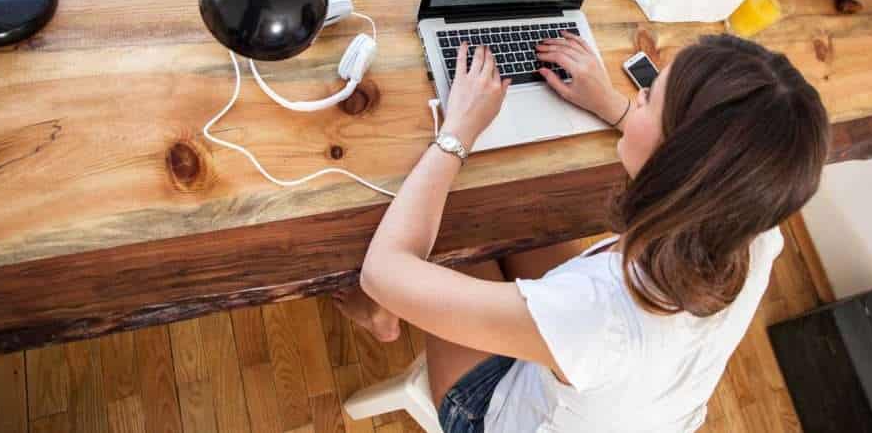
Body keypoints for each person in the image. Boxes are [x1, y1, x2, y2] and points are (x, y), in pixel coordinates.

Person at [334, 32, 829, 432]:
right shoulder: (754, 230)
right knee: (522, 217)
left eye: (647, 97)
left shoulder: (600, 317)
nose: (634, 97)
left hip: (501, 416)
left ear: (677, 160)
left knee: (456, 226)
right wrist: (611, 106)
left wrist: (458, 131)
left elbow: (385, 269)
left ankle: (380, 317)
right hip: (641, 403)